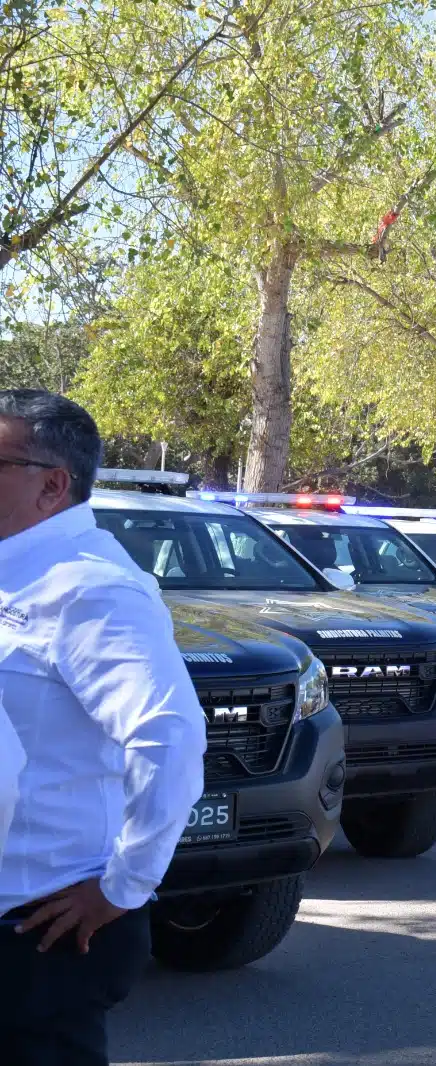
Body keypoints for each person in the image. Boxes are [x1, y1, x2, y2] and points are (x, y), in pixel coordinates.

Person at [0, 389, 207, 1065]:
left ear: (52, 485)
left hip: (39, 932)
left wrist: (123, 887)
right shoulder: (15, 571)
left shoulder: (89, 587)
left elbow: (168, 735)